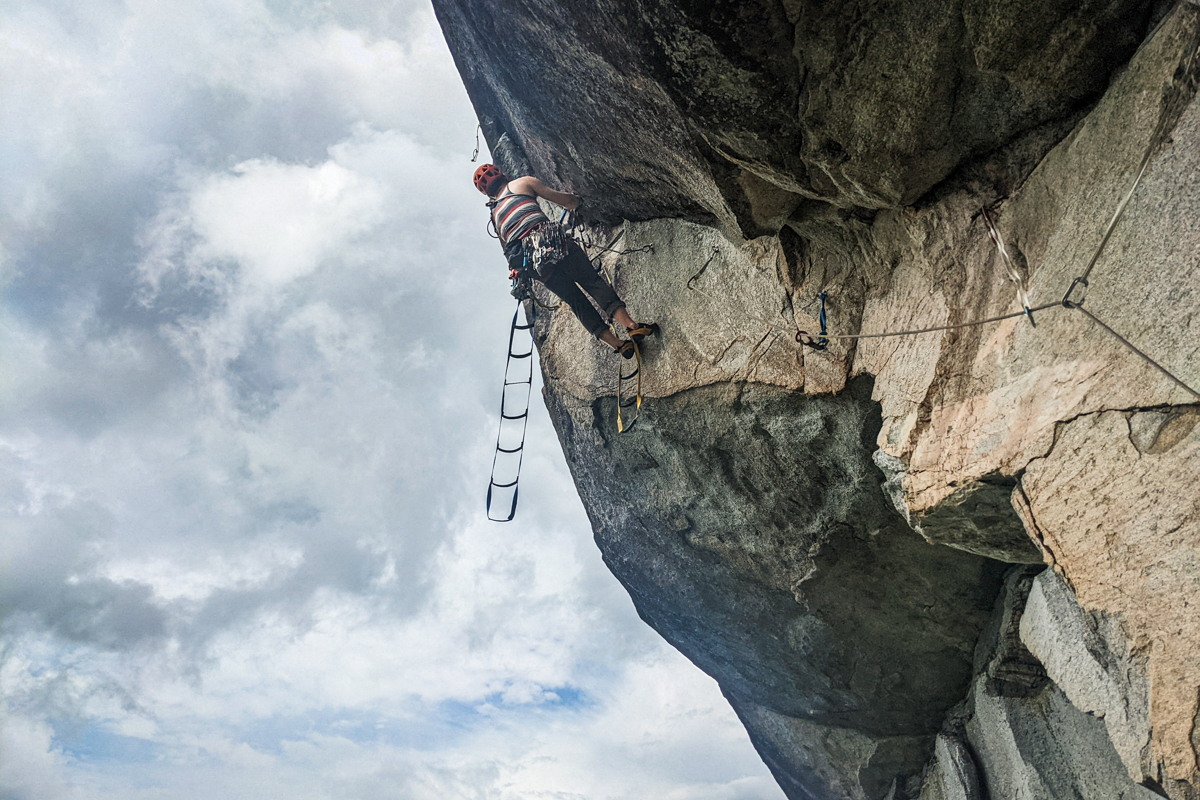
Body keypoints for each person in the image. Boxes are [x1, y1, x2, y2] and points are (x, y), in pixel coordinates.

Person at [473, 163, 657, 358]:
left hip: (538, 267)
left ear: (487, 193)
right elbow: (565, 201)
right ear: (501, 173)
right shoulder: (523, 183)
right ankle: (631, 326)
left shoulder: (495, 216)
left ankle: (619, 345)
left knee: (576, 302)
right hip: (556, 244)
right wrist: (577, 201)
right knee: (592, 282)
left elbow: (511, 247)